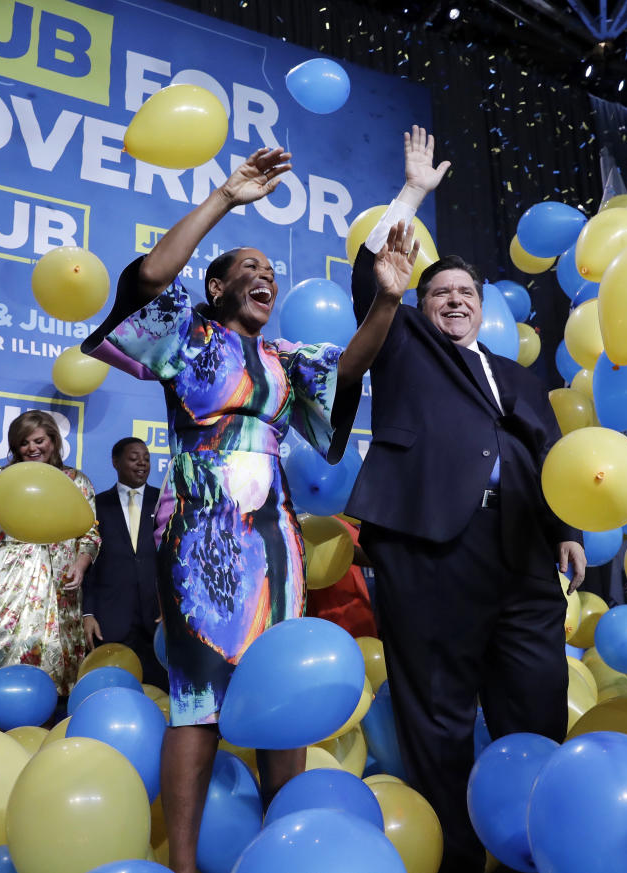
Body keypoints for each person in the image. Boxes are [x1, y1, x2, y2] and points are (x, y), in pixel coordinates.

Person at [82, 146, 418, 873]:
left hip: (275, 535)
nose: (266, 277)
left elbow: (351, 365)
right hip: (199, 527)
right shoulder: (186, 333)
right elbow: (147, 279)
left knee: (281, 683)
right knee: (198, 691)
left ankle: (278, 848)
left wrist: (387, 298)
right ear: (218, 283)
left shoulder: (283, 359)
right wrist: (226, 198)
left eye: (272, 271)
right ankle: (187, 863)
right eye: (251, 268)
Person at [347, 127, 587, 873]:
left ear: (483, 309)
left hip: (520, 557)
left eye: (465, 293)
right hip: (428, 549)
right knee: (440, 718)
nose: (453, 300)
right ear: (422, 304)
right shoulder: (403, 340)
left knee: (536, 701)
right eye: (440, 292)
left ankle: (532, 847)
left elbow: (550, 455)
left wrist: (565, 528)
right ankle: (453, 856)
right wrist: (413, 194)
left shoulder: (519, 376)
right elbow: (374, 275)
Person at [0, 410, 100, 697]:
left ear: (53, 440)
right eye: (24, 443)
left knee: (47, 676)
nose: (32, 448)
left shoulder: (76, 482)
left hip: (56, 587)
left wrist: (80, 567)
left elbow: (90, 535)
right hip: (3, 586)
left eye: (39, 440)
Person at [82, 436, 167, 690]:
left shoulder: (165, 502)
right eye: (133, 458)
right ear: (115, 462)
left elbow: (175, 559)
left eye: (146, 458)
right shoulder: (97, 505)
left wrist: (171, 607)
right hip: (111, 617)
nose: (142, 463)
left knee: (160, 690)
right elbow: (90, 563)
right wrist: (88, 612)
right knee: (111, 689)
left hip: (157, 617)